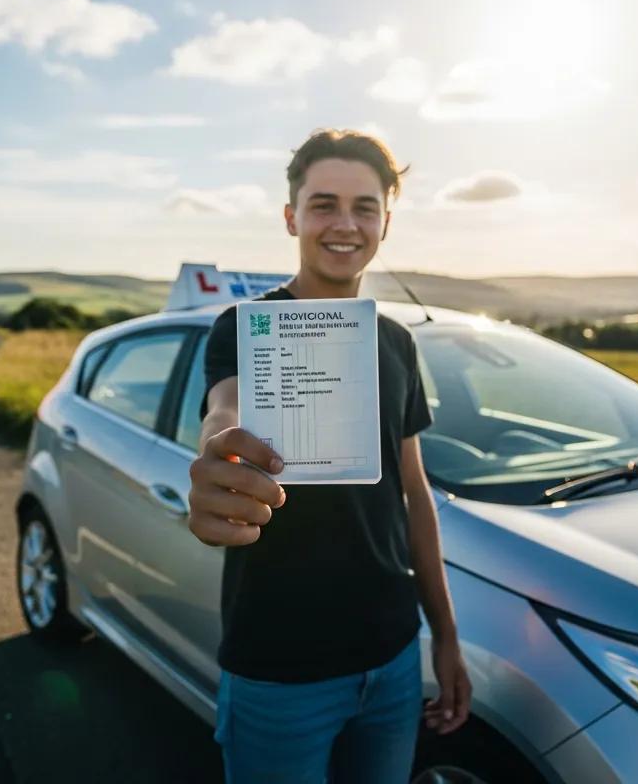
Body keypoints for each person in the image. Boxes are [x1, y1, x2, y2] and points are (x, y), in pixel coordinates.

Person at [190, 128, 471, 784]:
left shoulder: (397, 341)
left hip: (394, 658)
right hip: (279, 668)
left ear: (385, 223)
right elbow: (224, 411)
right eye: (323, 204)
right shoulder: (244, 328)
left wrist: (446, 637)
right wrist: (215, 460)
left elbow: (414, 494)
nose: (344, 224)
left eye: (364, 207)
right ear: (291, 217)